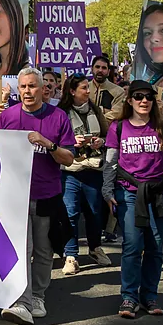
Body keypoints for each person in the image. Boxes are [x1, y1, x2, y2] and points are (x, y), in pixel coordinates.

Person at [0, 67, 76, 325]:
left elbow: (69, 157)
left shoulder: (58, 117)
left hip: (46, 194)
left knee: (43, 250)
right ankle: (22, 301)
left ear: (44, 89)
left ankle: (38, 296)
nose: (27, 91)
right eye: (23, 87)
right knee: (22, 250)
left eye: (32, 86)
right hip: (15, 196)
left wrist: (48, 143)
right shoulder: (7, 117)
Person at [103, 82, 163, 318]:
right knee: (132, 244)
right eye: (138, 97)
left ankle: (149, 295)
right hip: (129, 193)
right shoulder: (118, 128)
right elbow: (111, 162)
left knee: (155, 245)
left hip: (159, 194)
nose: (144, 101)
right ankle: (129, 297)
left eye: (148, 97)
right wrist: (107, 191)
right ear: (130, 100)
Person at [58, 74, 112, 276]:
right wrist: (73, 143)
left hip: (94, 169)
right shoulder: (62, 113)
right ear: (72, 91)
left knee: (95, 213)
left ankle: (95, 248)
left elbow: (107, 135)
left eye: (87, 88)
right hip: (71, 171)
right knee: (70, 213)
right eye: (83, 88)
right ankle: (71, 255)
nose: (88, 91)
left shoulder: (96, 110)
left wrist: (101, 142)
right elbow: (55, 140)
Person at [91, 55, 125, 123]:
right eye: (97, 67)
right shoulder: (84, 89)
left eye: (104, 68)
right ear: (92, 69)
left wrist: (92, 121)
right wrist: (103, 110)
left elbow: (116, 114)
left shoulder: (119, 92)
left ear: (108, 72)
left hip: (109, 132)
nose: (100, 70)